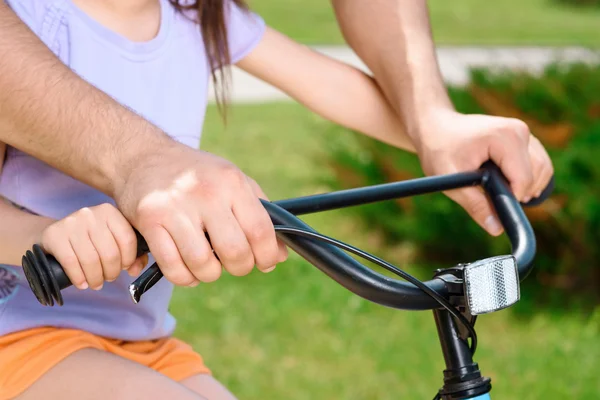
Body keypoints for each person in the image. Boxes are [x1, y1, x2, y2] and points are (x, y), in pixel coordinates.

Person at [0, 0, 553, 399]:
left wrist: (443, 133)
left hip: (141, 337)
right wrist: (42, 238)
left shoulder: (198, 16)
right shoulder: (28, 21)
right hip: (19, 337)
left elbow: (333, 88)